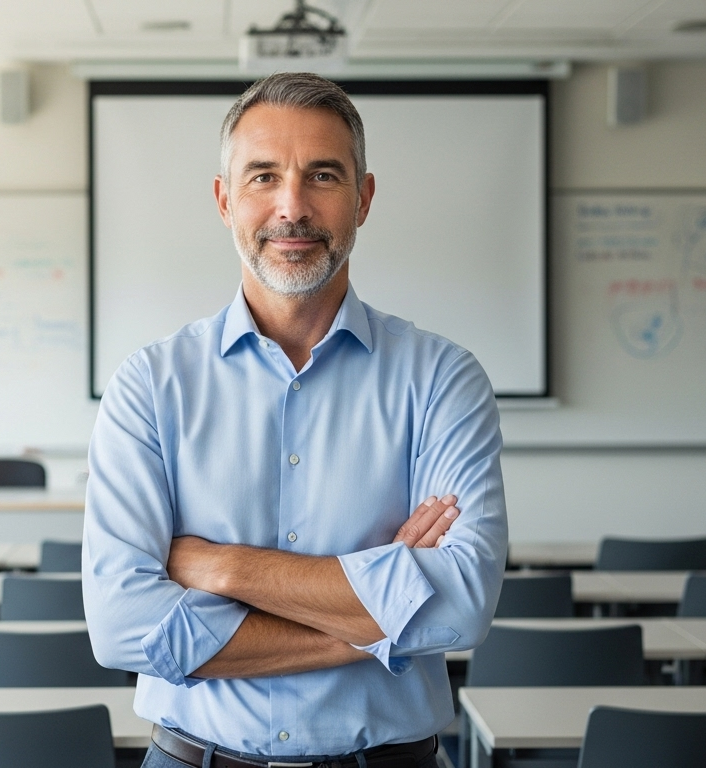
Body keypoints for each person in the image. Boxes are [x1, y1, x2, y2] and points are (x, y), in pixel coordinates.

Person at [83, 72, 508, 768]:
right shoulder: (150, 386)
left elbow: (460, 607)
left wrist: (218, 566)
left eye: (322, 175)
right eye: (262, 177)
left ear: (363, 199)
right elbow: (123, 628)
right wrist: (378, 619)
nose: (292, 206)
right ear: (225, 201)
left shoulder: (441, 380)